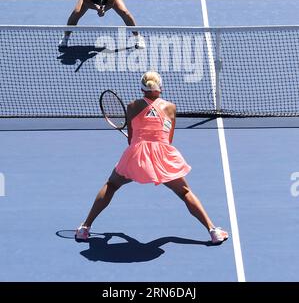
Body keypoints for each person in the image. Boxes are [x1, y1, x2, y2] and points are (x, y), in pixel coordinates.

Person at [75, 71, 229, 245]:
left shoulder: (132, 106)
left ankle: (84, 228)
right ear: (160, 87)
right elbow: (168, 139)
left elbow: (131, 139)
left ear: (142, 88)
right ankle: (213, 231)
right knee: (185, 192)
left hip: (137, 156)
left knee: (111, 185)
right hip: (163, 157)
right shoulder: (171, 107)